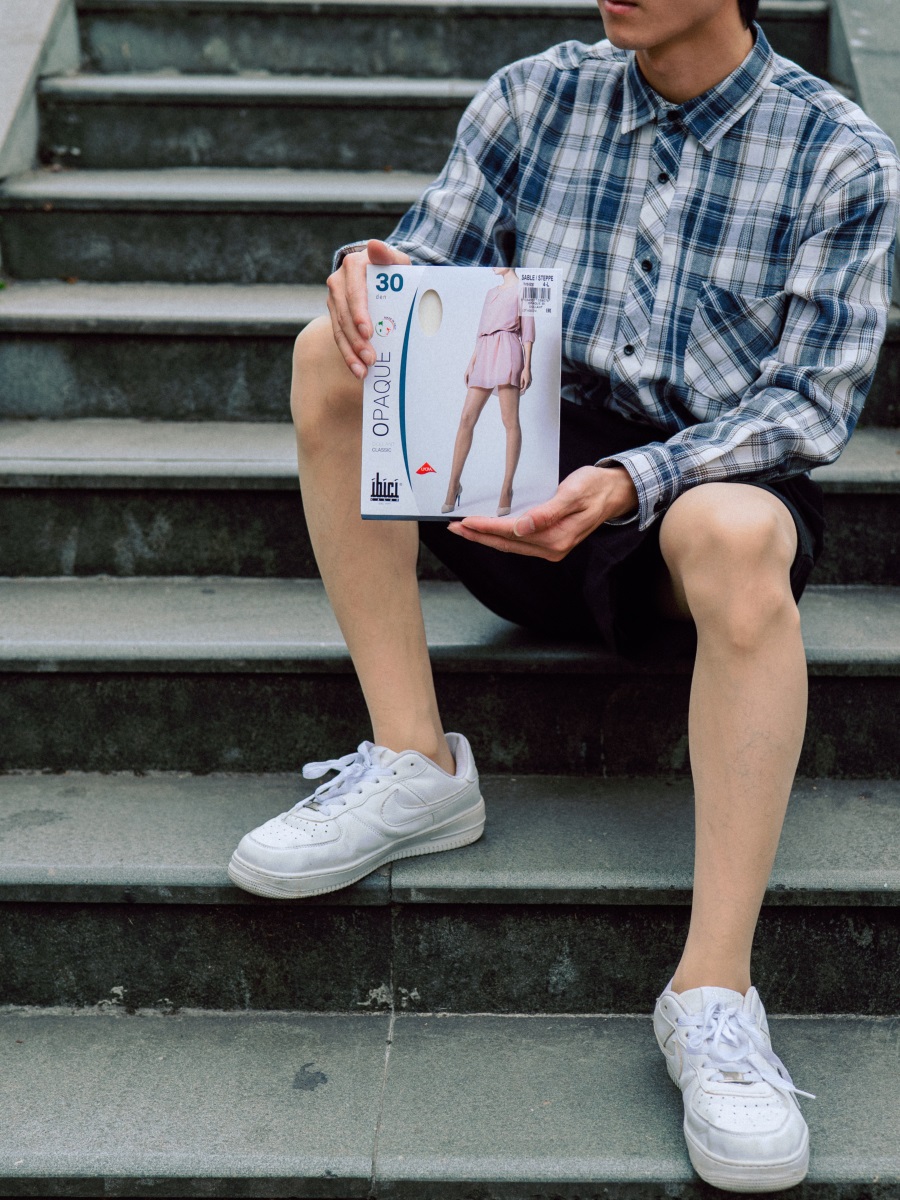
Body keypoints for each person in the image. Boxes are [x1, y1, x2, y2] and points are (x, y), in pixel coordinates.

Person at [228, 0, 899, 1189]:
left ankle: (713, 994)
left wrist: (633, 480)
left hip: (690, 514)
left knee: (740, 529)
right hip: (517, 484)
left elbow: (810, 406)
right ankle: (417, 763)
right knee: (330, 356)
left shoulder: (838, 153)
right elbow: (424, 275)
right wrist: (371, 278)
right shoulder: (536, 93)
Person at [441, 266, 535, 516]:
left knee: (509, 421)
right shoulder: (491, 292)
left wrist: (527, 366)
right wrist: (472, 361)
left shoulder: (524, 289)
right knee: (466, 418)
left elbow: (527, 332)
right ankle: (453, 485)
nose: (493, 264)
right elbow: (481, 332)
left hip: (508, 348)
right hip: (485, 351)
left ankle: (507, 488)